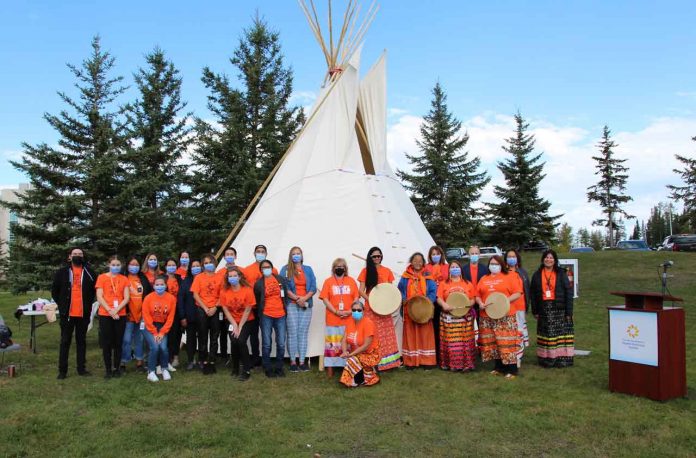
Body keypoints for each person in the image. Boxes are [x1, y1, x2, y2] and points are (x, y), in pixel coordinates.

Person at [51, 247, 97, 379]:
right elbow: (55, 291)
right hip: (68, 314)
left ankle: (81, 369)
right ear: (69, 257)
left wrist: (88, 304)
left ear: (83, 256)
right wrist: (62, 305)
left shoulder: (89, 272)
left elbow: (94, 291)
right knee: (65, 341)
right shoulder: (62, 272)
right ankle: (62, 370)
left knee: (81, 341)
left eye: (80, 254)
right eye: (75, 254)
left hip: (83, 313)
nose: (77, 256)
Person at [475, 255, 522, 379]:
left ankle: (511, 370)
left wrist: (504, 300)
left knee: (507, 342)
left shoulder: (510, 276)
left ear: (502, 265)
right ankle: (498, 367)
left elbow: (518, 293)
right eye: (491, 263)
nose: (493, 266)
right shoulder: (484, 278)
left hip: (505, 315)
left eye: (496, 264)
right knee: (493, 343)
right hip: (487, 315)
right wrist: (480, 303)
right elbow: (477, 294)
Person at [357, 247, 401, 371]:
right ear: (370, 258)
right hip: (371, 308)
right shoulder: (365, 271)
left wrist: (390, 304)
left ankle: (388, 364)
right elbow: (361, 290)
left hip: (384, 309)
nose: (377, 258)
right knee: (372, 335)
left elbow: (390, 291)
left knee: (386, 336)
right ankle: (373, 362)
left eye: (379, 256)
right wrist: (371, 301)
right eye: (374, 256)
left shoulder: (387, 271)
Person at [530, 249, 574, 368]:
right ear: (543, 259)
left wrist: (569, 312)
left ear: (555, 260)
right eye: (546, 257)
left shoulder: (561, 273)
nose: (548, 260)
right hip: (543, 308)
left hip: (559, 308)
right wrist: (535, 310)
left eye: (551, 258)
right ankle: (546, 359)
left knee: (560, 334)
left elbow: (568, 292)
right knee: (547, 334)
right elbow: (533, 294)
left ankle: (561, 360)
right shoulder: (537, 274)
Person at [320, 258, 359, 378]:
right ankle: (330, 369)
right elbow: (325, 299)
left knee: (347, 345)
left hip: (348, 318)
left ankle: (347, 368)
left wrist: (350, 311)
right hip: (333, 318)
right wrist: (336, 311)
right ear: (333, 268)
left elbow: (356, 298)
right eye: (337, 266)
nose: (339, 268)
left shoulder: (351, 281)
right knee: (332, 345)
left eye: (342, 266)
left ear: (345, 268)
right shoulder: (328, 281)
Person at [435, 260, 477, 371]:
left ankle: (466, 364)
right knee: (451, 342)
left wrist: (467, 306)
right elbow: (438, 297)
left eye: (457, 267)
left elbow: (473, 298)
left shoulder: (467, 283)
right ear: (449, 270)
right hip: (449, 317)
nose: (455, 269)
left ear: (460, 269)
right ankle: (452, 364)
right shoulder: (444, 283)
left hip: (464, 317)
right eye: (452, 267)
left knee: (465, 342)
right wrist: (444, 305)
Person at [280, 246, 317, 372]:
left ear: (302, 255)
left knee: (302, 332)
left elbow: (313, 286)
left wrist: (304, 299)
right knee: (292, 332)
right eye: (294, 254)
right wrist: (297, 299)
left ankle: (302, 361)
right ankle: (292, 362)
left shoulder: (308, 269)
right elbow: (283, 287)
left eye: (298, 253)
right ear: (290, 256)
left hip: (306, 303)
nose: (296, 255)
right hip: (291, 304)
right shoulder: (285, 269)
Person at [398, 252, 437, 368]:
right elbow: (400, 290)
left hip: (424, 310)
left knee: (425, 335)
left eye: (420, 261)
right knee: (410, 335)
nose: (418, 263)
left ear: (423, 262)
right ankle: (411, 361)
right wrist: (404, 299)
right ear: (411, 262)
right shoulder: (405, 276)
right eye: (415, 260)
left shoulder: (427, 276)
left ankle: (427, 361)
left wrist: (427, 303)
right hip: (410, 310)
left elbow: (432, 291)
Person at [95, 255, 131, 379]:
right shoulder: (101, 278)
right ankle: (108, 369)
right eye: (113, 264)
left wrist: (116, 309)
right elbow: (99, 296)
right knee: (107, 343)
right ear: (109, 265)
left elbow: (126, 298)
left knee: (118, 342)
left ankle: (116, 368)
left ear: (121, 266)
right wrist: (110, 310)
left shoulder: (124, 279)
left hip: (120, 314)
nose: (115, 267)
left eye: (118, 265)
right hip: (105, 314)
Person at [253, 259, 289, 378]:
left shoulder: (280, 279)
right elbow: (258, 301)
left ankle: (279, 367)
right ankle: (267, 367)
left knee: (281, 343)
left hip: (281, 315)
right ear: (261, 270)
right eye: (263, 267)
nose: (266, 269)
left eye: (268, 266)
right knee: (266, 343)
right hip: (266, 315)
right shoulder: (258, 284)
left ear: (272, 268)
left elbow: (285, 295)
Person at [219, 267, 256, 381]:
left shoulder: (248, 290)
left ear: (239, 277)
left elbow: (248, 309)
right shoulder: (224, 291)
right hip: (231, 321)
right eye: (230, 276)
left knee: (240, 341)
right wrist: (234, 324)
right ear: (227, 278)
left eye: (235, 276)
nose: (233, 278)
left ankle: (246, 370)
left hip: (247, 320)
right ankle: (235, 368)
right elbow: (225, 309)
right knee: (234, 341)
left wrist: (239, 326)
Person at [244, 245, 278, 367]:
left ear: (266, 254)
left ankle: (266, 359)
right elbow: (246, 288)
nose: (260, 253)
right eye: (258, 252)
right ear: (254, 253)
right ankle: (255, 357)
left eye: (263, 252)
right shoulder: (247, 270)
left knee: (266, 333)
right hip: (253, 306)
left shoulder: (273, 270)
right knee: (254, 333)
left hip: (267, 307)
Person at [190, 254, 222, 374]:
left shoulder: (220, 277)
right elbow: (195, 295)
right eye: (206, 263)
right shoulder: (198, 278)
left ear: (215, 263)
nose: (209, 264)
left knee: (214, 336)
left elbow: (222, 295)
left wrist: (214, 307)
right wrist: (205, 308)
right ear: (203, 265)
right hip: (202, 309)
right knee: (203, 336)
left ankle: (212, 360)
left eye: (211, 262)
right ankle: (202, 360)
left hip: (215, 309)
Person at [119, 256, 152, 374]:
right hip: (127, 315)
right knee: (126, 340)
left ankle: (139, 363)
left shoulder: (143, 278)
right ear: (127, 266)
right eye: (132, 264)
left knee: (140, 340)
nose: (134, 267)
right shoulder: (123, 278)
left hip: (141, 315)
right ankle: (122, 362)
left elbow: (149, 296)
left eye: (136, 265)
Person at [142, 276, 177, 382]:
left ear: (166, 285)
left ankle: (164, 368)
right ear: (153, 286)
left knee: (163, 348)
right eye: (157, 284)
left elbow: (170, 319)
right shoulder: (148, 298)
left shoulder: (171, 298)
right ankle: (151, 372)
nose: (159, 286)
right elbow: (146, 317)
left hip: (162, 326)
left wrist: (161, 333)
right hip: (148, 326)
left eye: (162, 284)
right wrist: (154, 332)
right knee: (155, 348)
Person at [339, 300, 380, 388]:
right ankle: (368, 376)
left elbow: (366, 346)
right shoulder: (350, 322)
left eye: (359, 310)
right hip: (357, 354)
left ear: (363, 311)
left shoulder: (368, 323)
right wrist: (345, 351)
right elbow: (344, 340)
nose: (356, 312)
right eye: (354, 310)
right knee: (354, 361)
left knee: (351, 360)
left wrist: (350, 355)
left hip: (371, 354)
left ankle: (349, 381)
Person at [505, 249, 531, 367]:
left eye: (513, 256)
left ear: (517, 258)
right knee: (509, 333)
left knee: (519, 332)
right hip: (507, 308)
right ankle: (509, 355)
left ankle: (518, 356)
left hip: (520, 307)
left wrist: (528, 305)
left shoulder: (522, 272)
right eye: (509, 256)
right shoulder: (503, 272)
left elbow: (527, 290)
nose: (511, 258)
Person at [424, 245, 448, 364]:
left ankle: (444, 354)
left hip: (444, 300)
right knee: (433, 327)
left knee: (444, 327)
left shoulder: (447, 267)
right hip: (431, 300)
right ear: (430, 256)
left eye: (437, 254)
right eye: (433, 254)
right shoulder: (426, 267)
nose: (435, 256)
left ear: (441, 254)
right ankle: (435, 354)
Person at [178, 259, 202, 370]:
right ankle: (190, 360)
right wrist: (182, 316)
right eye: (193, 266)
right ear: (190, 269)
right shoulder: (185, 282)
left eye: (198, 266)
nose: (196, 268)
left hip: (203, 315)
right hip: (189, 315)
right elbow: (181, 300)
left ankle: (202, 360)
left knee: (203, 339)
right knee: (190, 339)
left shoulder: (204, 279)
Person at [216, 247, 239, 364]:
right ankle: (224, 356)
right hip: (223, 307)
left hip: (237, 306)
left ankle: (236, 356)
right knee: (224, 331)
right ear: (224, 257)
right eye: (227, 254)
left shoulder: (240, 271)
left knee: (236, 333)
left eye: (232, 254)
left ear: (235, 256)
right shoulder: (219, 272)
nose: (229, 256)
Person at [164, 258, 182, 370]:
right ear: (165, 266)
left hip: (177, 310)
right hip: (164, 311)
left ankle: (175, 357)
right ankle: (166, 358)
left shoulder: (179, 279)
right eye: (169, 265)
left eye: (173, 265)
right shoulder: (162, 279)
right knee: (167, 335)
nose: (171, 267)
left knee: (176, 334)